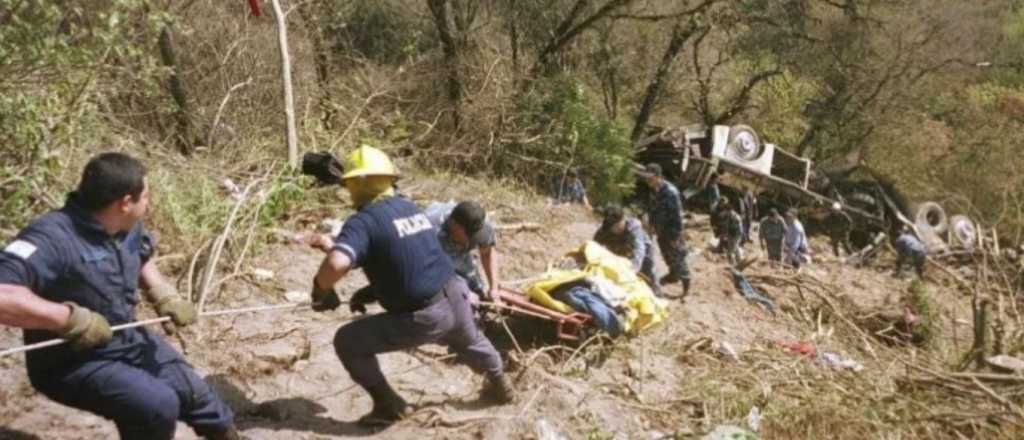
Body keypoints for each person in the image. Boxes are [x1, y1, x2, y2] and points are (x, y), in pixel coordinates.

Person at [0, 153, 238, 440]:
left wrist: (164, 294)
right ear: (125, 203)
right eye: (146, 197)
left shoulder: (128, 226)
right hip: (70, 362)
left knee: (197, 395)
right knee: (156, 405)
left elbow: (140, 256)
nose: (149, 204)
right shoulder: (51, 238)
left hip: (126, 339)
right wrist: (69, 320)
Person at [306, 145, 513, 427]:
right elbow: (408, 261)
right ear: (390, 179)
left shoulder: (364, 221)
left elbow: (338, 263)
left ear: (351, 185)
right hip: (457, 294)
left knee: (347, 341)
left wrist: (320, 291)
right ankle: (500, 383)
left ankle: (389, 405)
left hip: (426, 315)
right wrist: (369, 293)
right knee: (473, 341)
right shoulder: (409, 208)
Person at [424, 200, 503, 305]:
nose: (473, 240)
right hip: (431, 267)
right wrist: (459, 291)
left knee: (478, 292)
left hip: (461, 258)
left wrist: (494, 288)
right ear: (454, 225)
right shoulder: (429, 228)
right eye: (470, 235)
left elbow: (487, 253)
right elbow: (425, 271)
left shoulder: (481, 223)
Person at [638, 163, 691, 297]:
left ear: (658, 177)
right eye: (646, 178)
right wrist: (649, 223)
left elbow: (678, 216)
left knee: (678, 257)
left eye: (650, 178)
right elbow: (651, 208)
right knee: (666, 255)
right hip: (661, 230)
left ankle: (686, 287)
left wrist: (676, 236)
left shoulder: (671, 193)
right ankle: (673, 275)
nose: (647, 180)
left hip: (672, 231)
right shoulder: (654, 190)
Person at [593, 205, 661, 296]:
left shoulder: (634, 227)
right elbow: (593, 246)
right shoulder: (605, 228)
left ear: (623, 219)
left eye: (617, 226)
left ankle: (657, 293)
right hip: (620, 251)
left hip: (643, 252)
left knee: (649, 272)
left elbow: (639, 251)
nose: (614, 229)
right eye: (611, 226)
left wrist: (631, 272)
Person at [718, 200, 744, 266]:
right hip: (731, 235)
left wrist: (734, 238)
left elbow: (739, 230)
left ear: (729, 210)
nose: (725, 212)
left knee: (730, 252)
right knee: (736, 249)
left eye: (726, 211)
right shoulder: (728, 216)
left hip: (736, 235)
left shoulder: (735, 217)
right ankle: (739, 262)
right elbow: (726, 225)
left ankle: (732, 265)